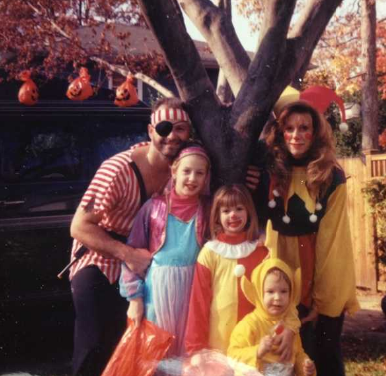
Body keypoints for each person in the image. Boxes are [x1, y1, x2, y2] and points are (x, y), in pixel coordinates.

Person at [68, 97, 192, 375]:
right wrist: (127, 254)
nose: (171, 135)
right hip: (101, 260)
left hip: (146, 269)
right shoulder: (118, 169)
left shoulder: (181, 172)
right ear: (150, 131)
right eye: (164, 127)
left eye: (181, 128)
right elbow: (79, 226)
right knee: (94, 344)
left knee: (134, 350)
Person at [261, 99, 360, 376]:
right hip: (281, 273)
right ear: (280, 133)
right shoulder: (272, 173)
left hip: (319, 270)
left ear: (315, 132)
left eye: (304, 127)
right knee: (284, 358)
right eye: (289, 128)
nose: (296, 135)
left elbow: (332, 240)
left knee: (323, 356)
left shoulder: (331, 176)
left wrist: (320, 299)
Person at [119, 144, 211, 357]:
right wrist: (135, 299)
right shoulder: (153, 208)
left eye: (199, 173)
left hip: (194, 289)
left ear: (206, 177)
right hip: (158, 291)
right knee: (157, 352)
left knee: (190, 351)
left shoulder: (207, 209)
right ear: (174, 171)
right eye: (186, 171)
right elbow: (131, 253)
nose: (192, 178)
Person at [184, 184, 269, 355]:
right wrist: (195, 348)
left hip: (253, 342)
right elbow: (198, 303)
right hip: (219, 340)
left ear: (249, 212)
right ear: (217, 216)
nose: (233, 215)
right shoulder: (210, 252)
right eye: (226, 211)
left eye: (239, 209)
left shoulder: (261, 250)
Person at [228, 258, 316, 376]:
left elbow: (298, 353)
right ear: (259, 293)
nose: (277, 297)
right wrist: (257, 351)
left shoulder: (289, 326)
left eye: (283, 291)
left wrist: (305, 366)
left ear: (291, 293)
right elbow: (232, 355)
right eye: (270, 291)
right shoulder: (249, 325)